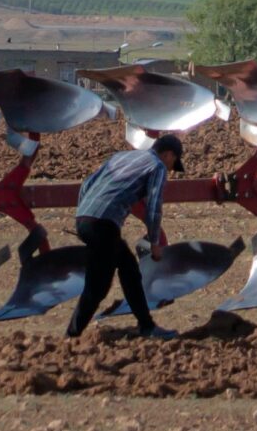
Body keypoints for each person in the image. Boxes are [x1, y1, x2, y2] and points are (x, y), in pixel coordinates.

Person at [64, 131, 181, 340]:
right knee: (99, 285)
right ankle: (72, 335)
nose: (171, 169)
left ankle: (146, 325)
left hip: (85, 218)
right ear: (169, 155)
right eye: (174, 163)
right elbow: (154, 207)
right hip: (103, 224)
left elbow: (86, 184)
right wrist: (155, 242)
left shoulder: (121, 157)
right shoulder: (157, 166)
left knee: (128, 268)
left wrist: (84, 214)